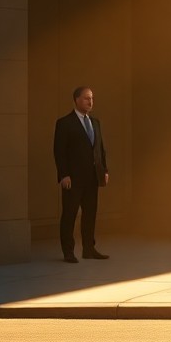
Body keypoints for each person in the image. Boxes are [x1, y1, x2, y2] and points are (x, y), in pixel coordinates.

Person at [53, 86, 110, 263]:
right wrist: (64, 175)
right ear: (76, 100)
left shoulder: (95, 122)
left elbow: (100, 149)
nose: (90, 102)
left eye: (92, 98)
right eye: (86, 98)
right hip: (73, 179)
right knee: (69, 214)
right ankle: (68, 251)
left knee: (90, 214)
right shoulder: (64, 123)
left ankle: (89, 248)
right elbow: (59, 151)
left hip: (92, 178)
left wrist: (104, 170)